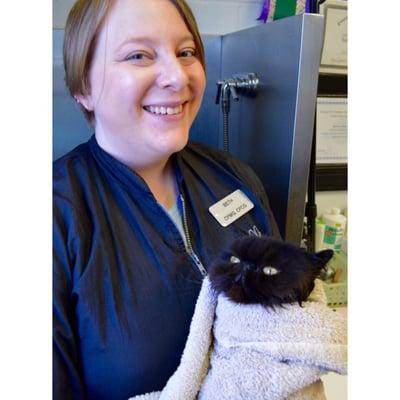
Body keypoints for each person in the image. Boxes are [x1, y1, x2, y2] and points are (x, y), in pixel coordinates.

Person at [53, 0, 280, 399]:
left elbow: (288, 325)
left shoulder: (235, 179)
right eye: (139, 55)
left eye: (186, 52)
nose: (177, 76)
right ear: (82, 87)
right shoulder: (54, 215)